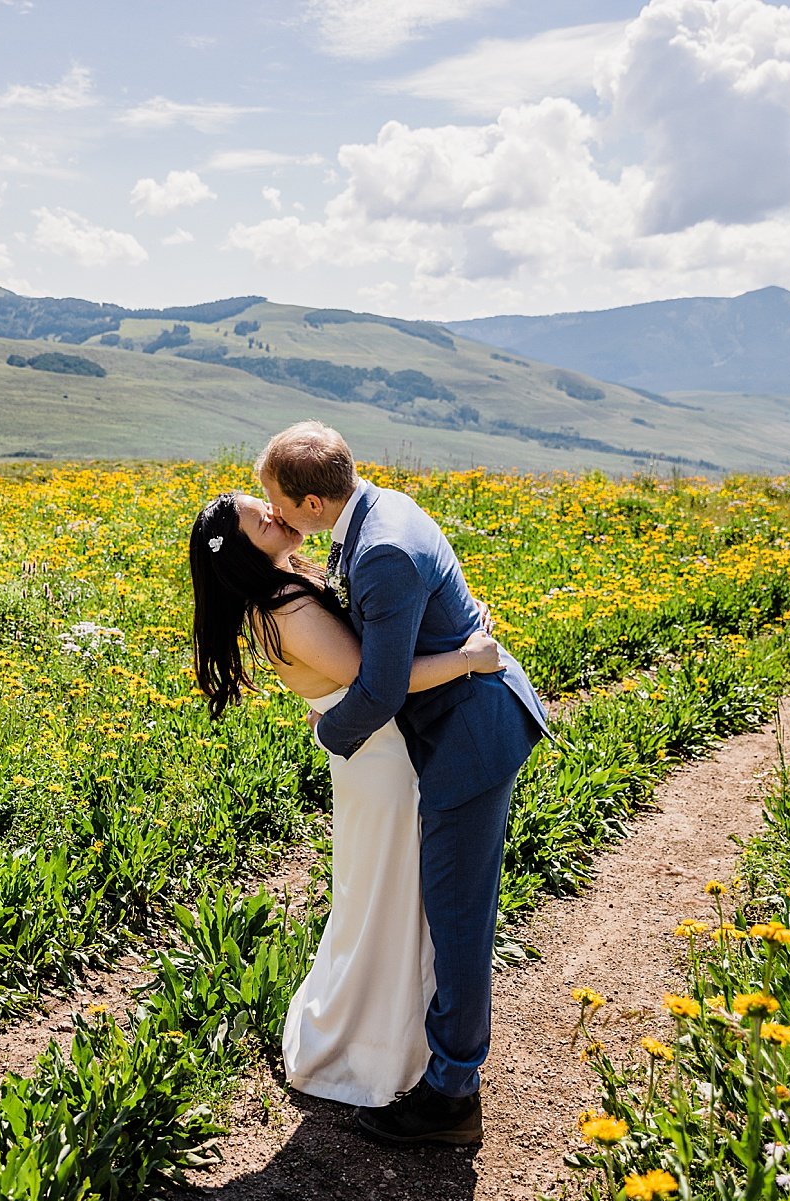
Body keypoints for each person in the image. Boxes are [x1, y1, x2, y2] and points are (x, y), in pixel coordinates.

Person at [256, 421, 547, 1146]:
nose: (278, 518)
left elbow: (380, 690)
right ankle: (436, 1059)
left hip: (468, 739)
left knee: (457, 915)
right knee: (449, 906)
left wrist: (327, 731)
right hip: (454, 723)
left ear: (316, 502)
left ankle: (452, 1097)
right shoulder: (379, 511)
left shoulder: (380, 548)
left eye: (282, 505)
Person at [189, 490, 501, 1108]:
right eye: (263, 519)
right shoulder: (284, 606)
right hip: (380, 757)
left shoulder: (283, 590)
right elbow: (377, 681)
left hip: (370, 753)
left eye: (269, 506)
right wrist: (467, 658)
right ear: (245, 551)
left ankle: (404, 1038)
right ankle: (380, 1049)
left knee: (386, 892)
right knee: (391, 896)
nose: (278, 515)